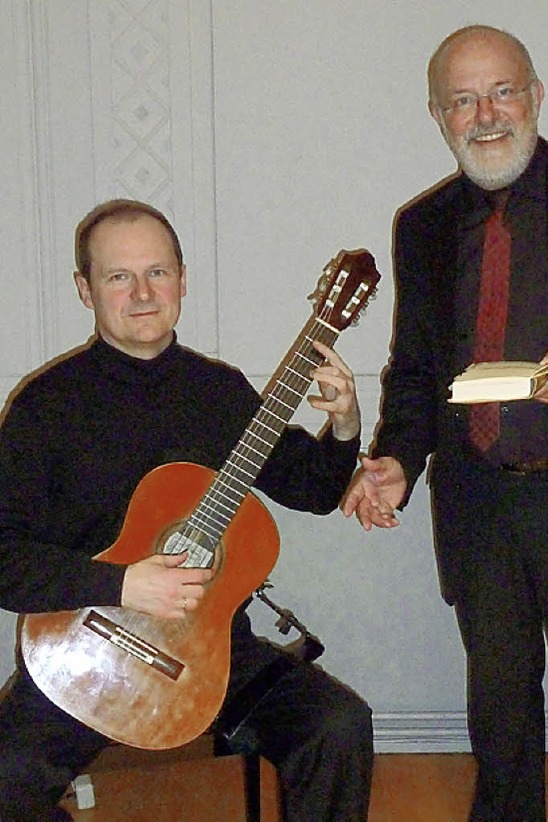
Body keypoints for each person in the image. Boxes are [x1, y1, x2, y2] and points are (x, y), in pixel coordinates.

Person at [344, 24, 548, 821]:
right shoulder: (424, 225)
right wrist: (397, 460)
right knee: (500, 725)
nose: (486, 114)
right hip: (481, 513)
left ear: (536, 94)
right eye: (463, 100)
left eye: (502, 90)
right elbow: (414, 371)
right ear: (439, 115)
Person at [0, 198, 373, 821]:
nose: (143, 292)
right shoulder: (45, 408)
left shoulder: (218, 391)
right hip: (83, 646)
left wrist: (344, 424)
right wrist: (123, 582)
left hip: (209, 655)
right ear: (85, 290)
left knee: (337, 724)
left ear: (182, 278)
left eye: (159, 272)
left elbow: (310, 489)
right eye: (119, 276)